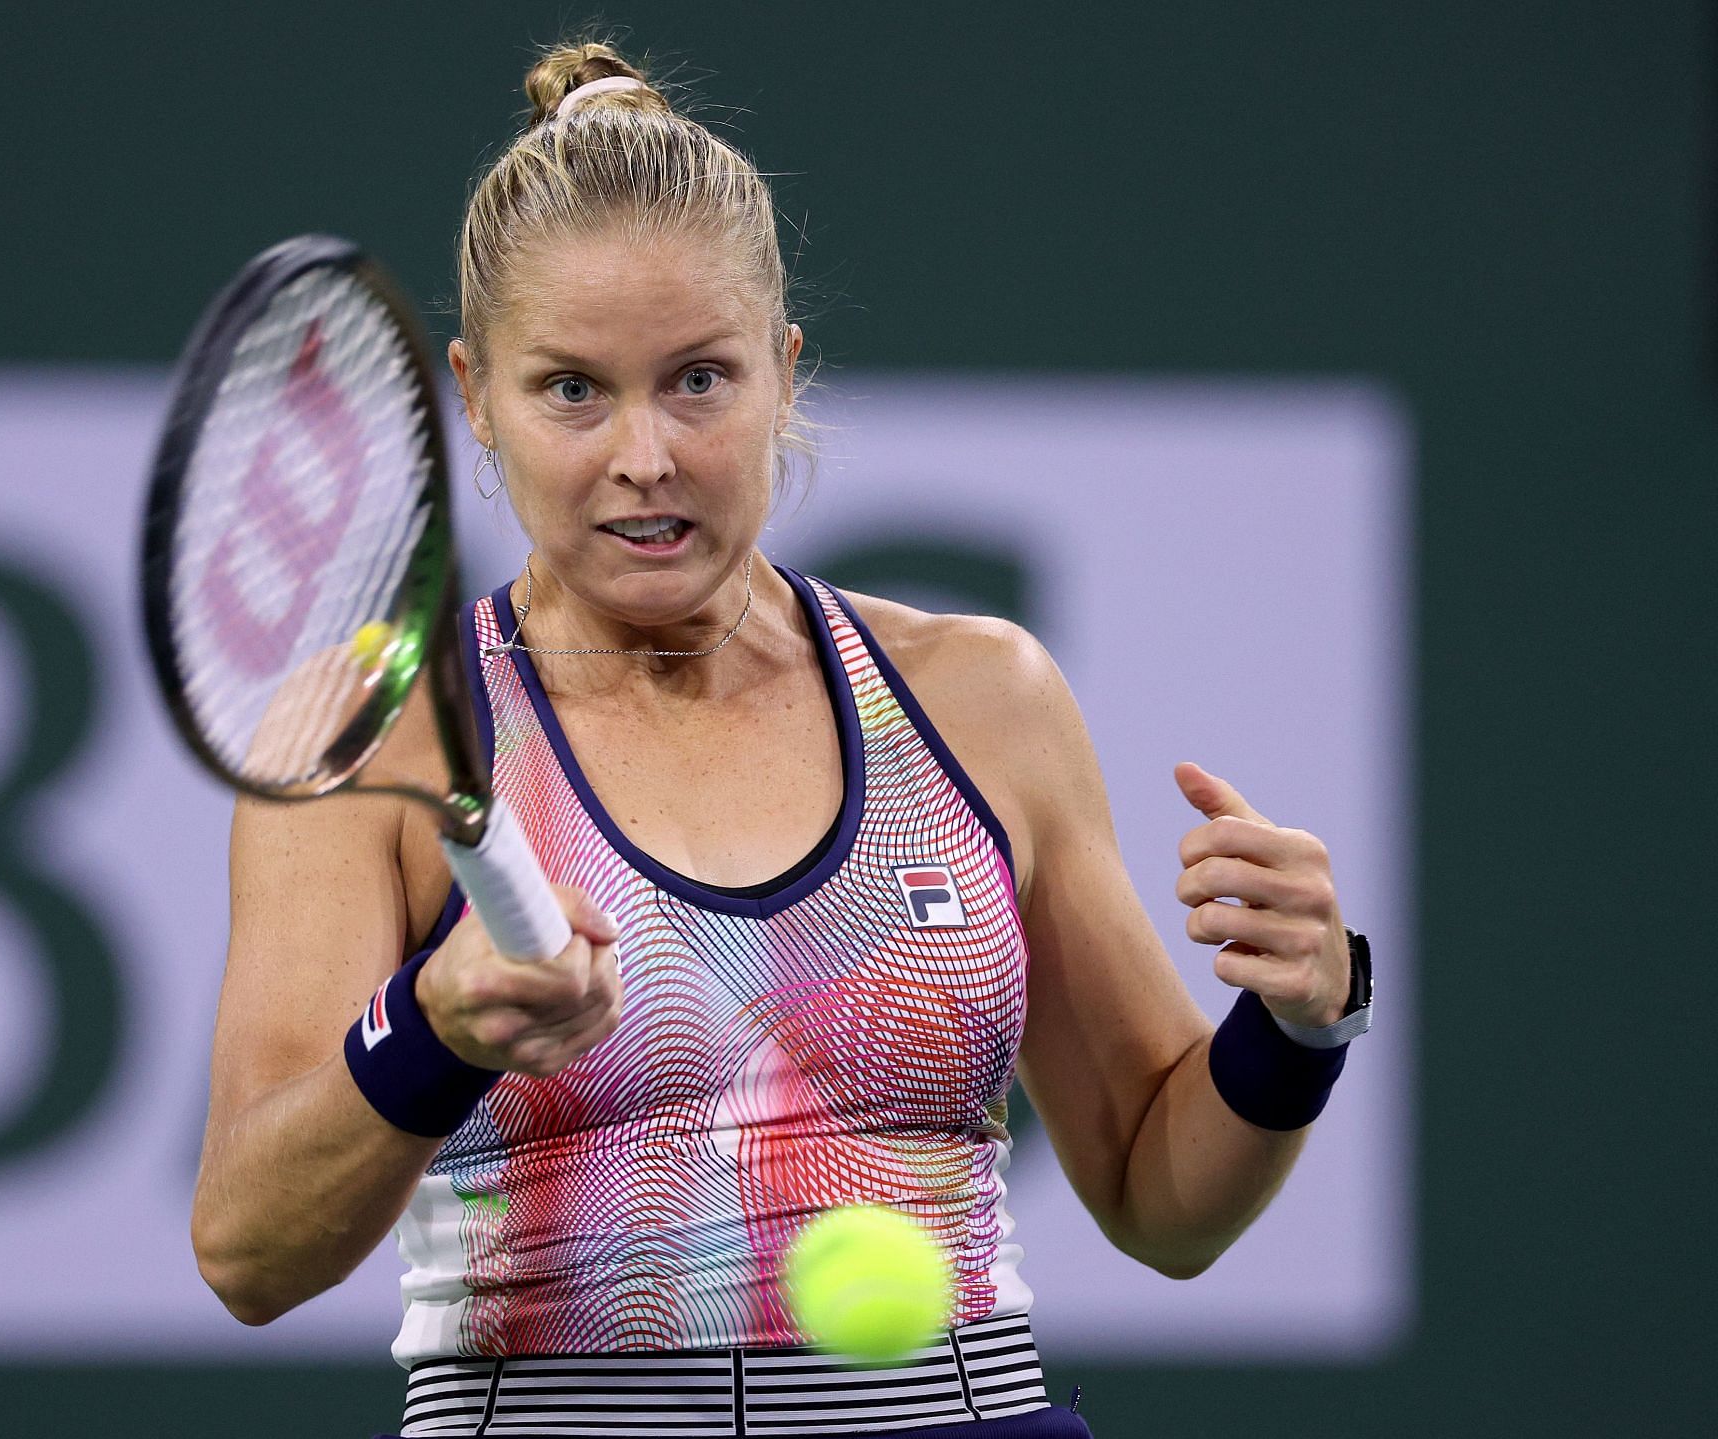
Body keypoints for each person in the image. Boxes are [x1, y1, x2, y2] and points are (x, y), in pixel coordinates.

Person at [189, 40, 1372, 1439]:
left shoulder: (983, 699)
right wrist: (436, 1030)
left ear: (783, 373)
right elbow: (248, 1253)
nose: (646, 455)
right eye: (572, 389)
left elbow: (1163, 1203)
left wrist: (1302, 1022)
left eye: (699, 380)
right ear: (475, 394)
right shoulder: (372, 739)